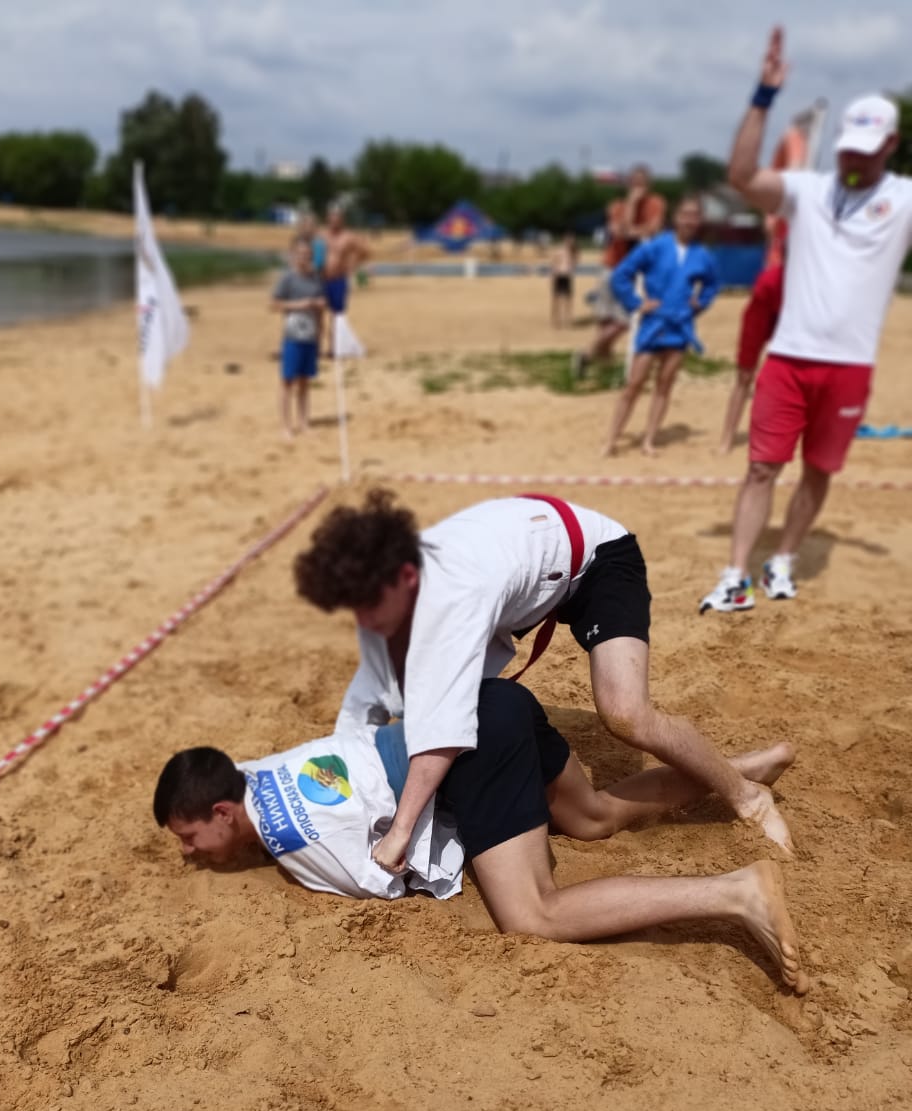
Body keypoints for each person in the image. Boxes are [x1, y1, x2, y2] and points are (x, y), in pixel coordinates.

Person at [152, 682, 806, 992]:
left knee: (533, 914)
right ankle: (742, 771)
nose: (189, 854)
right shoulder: (254, 770)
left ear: (221, 812)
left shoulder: (297, 848)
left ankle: (736, 892)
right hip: (490, 701)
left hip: (469, 750)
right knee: (594, 817)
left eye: (189, 837)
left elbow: (394, 877)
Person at [293, 490, 794, 873]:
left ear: (405, 576)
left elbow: (445, 724)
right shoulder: (385, 587)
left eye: (371, 606)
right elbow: (372, 690)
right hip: (530, 566)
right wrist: (333, 765)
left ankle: (749, 798)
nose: (365, 620)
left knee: (626, 714)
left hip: (597, 558)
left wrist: (399, 831)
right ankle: (746, 767)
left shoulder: (458, 594)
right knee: (419, 698)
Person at [700, 26, 912, 613]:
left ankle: (784, 557)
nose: (852, 159)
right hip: (789, 359)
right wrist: (763, 96)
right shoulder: (808, 191)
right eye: (848, 147)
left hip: (849, 368)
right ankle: (736, 574)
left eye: (866, 152)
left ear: (890, 145)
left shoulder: (905, 200)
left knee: (818, 472)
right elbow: (742, 177)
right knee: (762, 467)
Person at [603, 196, 720, 457]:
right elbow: (621, 274)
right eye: (685, 214)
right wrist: (636, 302)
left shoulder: (703, 255)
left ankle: (649, 440)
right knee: (634, 383)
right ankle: (612, 439)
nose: (689, 220)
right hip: (653, 323)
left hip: (680, 326)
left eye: (695, 215)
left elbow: (712, 285)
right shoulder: (655, 247)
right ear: (676, 218)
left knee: (665, 384)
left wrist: (699, 303)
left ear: (700, 220)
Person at [573, 166, 666, 377]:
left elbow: (652, 229)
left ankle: (588, 354)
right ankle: (601, 364)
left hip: (634, 272)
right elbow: (620, 232)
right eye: (634, 182)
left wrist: (632, 230)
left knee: (626, 319)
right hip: (612, 265)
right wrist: (631, 205)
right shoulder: (617, 206)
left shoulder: (655, 204)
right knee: (606, 319)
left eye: (641, 182)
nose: (638, 187)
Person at [719, 258, 784, 454]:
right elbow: (755, 323)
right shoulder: (770, 280)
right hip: (761, 316)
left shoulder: (813, 278)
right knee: (744, 377)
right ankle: (727, 438)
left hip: (792, 318)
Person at [272, 236, 325, 437]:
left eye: (308, 255)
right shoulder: (287, 278)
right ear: (293, 256)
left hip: (310, 336)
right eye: (300, 254)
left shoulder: (316, 279)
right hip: (292, 336)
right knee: (287, 381)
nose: (304, 258)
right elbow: (274, 303)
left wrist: (320, 334)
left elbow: (321, 308)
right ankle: (285, 425)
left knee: (305, 382)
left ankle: (304, 422)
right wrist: (300, 304)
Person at [321, 203, 370, 355]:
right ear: (327, 219)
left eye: (338, 218)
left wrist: (352, 265)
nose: (334, 221)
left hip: (338, 279)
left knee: (337, 315)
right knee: (317, 313)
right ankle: (316, 346)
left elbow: (365, 251)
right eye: (332, 217)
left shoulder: (348, 237)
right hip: (321, 279)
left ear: (342, 220)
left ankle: (334, 346)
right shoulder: (321, 235)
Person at [550, 233, 577, 329]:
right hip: (559, 276)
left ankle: (567, 320)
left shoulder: (573, 252)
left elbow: (573, 264)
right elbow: (554, 263)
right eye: (568, 240)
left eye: (571, 240)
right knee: (556, 299)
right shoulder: (559, 251)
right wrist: (554, 275)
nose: (570, 242)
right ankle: (556, 320)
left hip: (567, 276)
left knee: (568, 299)